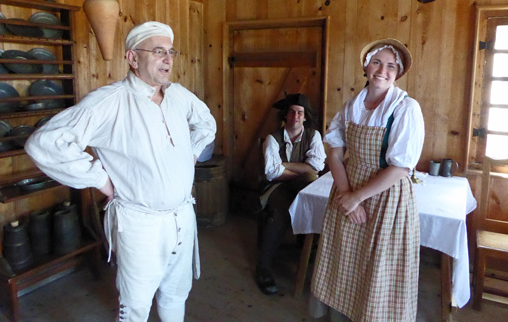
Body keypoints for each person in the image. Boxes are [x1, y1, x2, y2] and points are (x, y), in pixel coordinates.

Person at [24, 21, 216, 322]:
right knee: (136, 305)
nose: (168, 59)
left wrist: (190, 153)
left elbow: (207, 123)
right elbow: (45, 143)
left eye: (171, 52)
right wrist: (99, 179)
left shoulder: (178, 95)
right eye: (158, 51)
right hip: (140, 223)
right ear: (133, 58)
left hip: (182, 216)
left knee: (176, 294)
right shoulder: (109, 102)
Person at [310, 39, 424, 321]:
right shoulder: (352, 106)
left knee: (377, 263)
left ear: (397, 72)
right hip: (347, 186)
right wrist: (347, 194)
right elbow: (335, 154)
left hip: (385, 194)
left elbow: (400, 167)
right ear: (366, 65)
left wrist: (357, 197)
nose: (382, 71)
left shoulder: (406, 109)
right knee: (345, 258)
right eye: (377, 63)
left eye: (390, 66)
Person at [256, 93, 326, 295]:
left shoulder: (313, 136)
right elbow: (272, 172)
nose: (296, 116)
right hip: (277, 187)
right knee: (279, 213)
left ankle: (309, 250)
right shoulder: (273, 138)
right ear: (286, 116)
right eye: (292, 112)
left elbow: (317, 165)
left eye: (300, 113)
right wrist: (302, 170)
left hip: (304, 185)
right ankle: (263, 267)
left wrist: (285, 165)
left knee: (314, 201)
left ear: (305, 117)